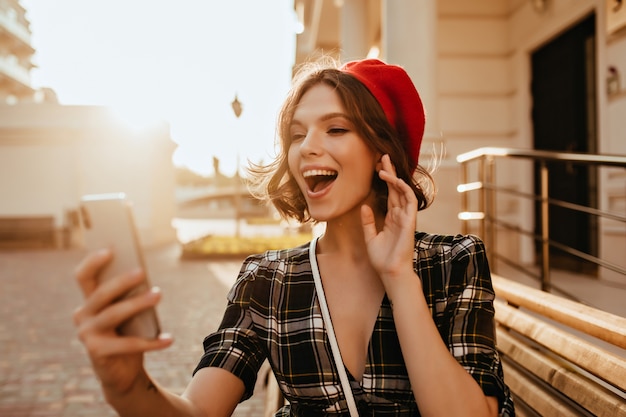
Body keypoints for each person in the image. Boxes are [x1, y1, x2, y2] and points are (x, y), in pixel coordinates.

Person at [73, 57, 515, 416]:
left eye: (335, 129)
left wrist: (399, 277)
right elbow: (199, 412)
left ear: (385, 152)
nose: (306, 147)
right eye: (297, 134)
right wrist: (129, 387)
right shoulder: (268, 280)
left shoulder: (454, 260)